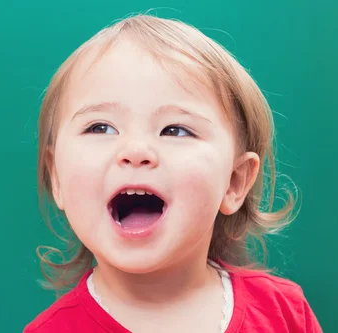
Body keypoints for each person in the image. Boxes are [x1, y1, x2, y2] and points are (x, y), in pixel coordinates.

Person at [24, 13, 322, 333]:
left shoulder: (284, 313)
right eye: (101, 127)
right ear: (56, 176)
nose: (135, 151)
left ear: (235, 182)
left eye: (175, 130)